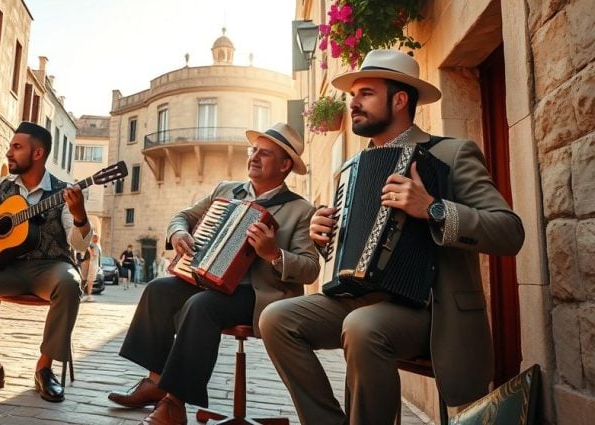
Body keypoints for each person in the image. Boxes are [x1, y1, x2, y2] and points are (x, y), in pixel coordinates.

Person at [259, 50, 525, 425]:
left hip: (432, 312)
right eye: (353, 96)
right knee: (276, 319)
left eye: (365, 93)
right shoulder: (351, 171)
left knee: (363, 327)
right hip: (358, 300)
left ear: (400, 100)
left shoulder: (452, 153)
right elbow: (348, 248)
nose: (353, 103)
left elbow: (509, 231)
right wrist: (324, 236)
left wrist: (433, 207)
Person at [108, 123, 320, 425]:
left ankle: (174, 404)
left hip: (259, 297)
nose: (254, 157)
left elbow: (311, 269)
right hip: (211, 282)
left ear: (285, 165)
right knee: (158, 289)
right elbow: (182, 216)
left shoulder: (301, 210)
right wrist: (179, 232)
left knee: (201, 306)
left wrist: (274, 254)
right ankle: (156, 382)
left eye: (265, 153)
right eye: (254, 150)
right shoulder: (226, 190)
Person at [0, 121, 92, 403]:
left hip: (50, 267)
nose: (9, 153)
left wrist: (80, 214)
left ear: (37, 154)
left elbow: (77, 243)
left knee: (70, 283)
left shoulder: (62, 192)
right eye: (11, 146)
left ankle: (44, 369)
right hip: (8, 269)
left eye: (17, 147)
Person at [81, 234, 102, 302]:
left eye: (97, 237)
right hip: (92, 264)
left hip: (92, 264)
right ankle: (88, 296)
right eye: (95, 237)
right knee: (89, 281)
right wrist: (90, 250)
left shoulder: (95, 245)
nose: (96, 239)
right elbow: (94, 255)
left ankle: (87, 296)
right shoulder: (93, 245)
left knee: (88, 281)